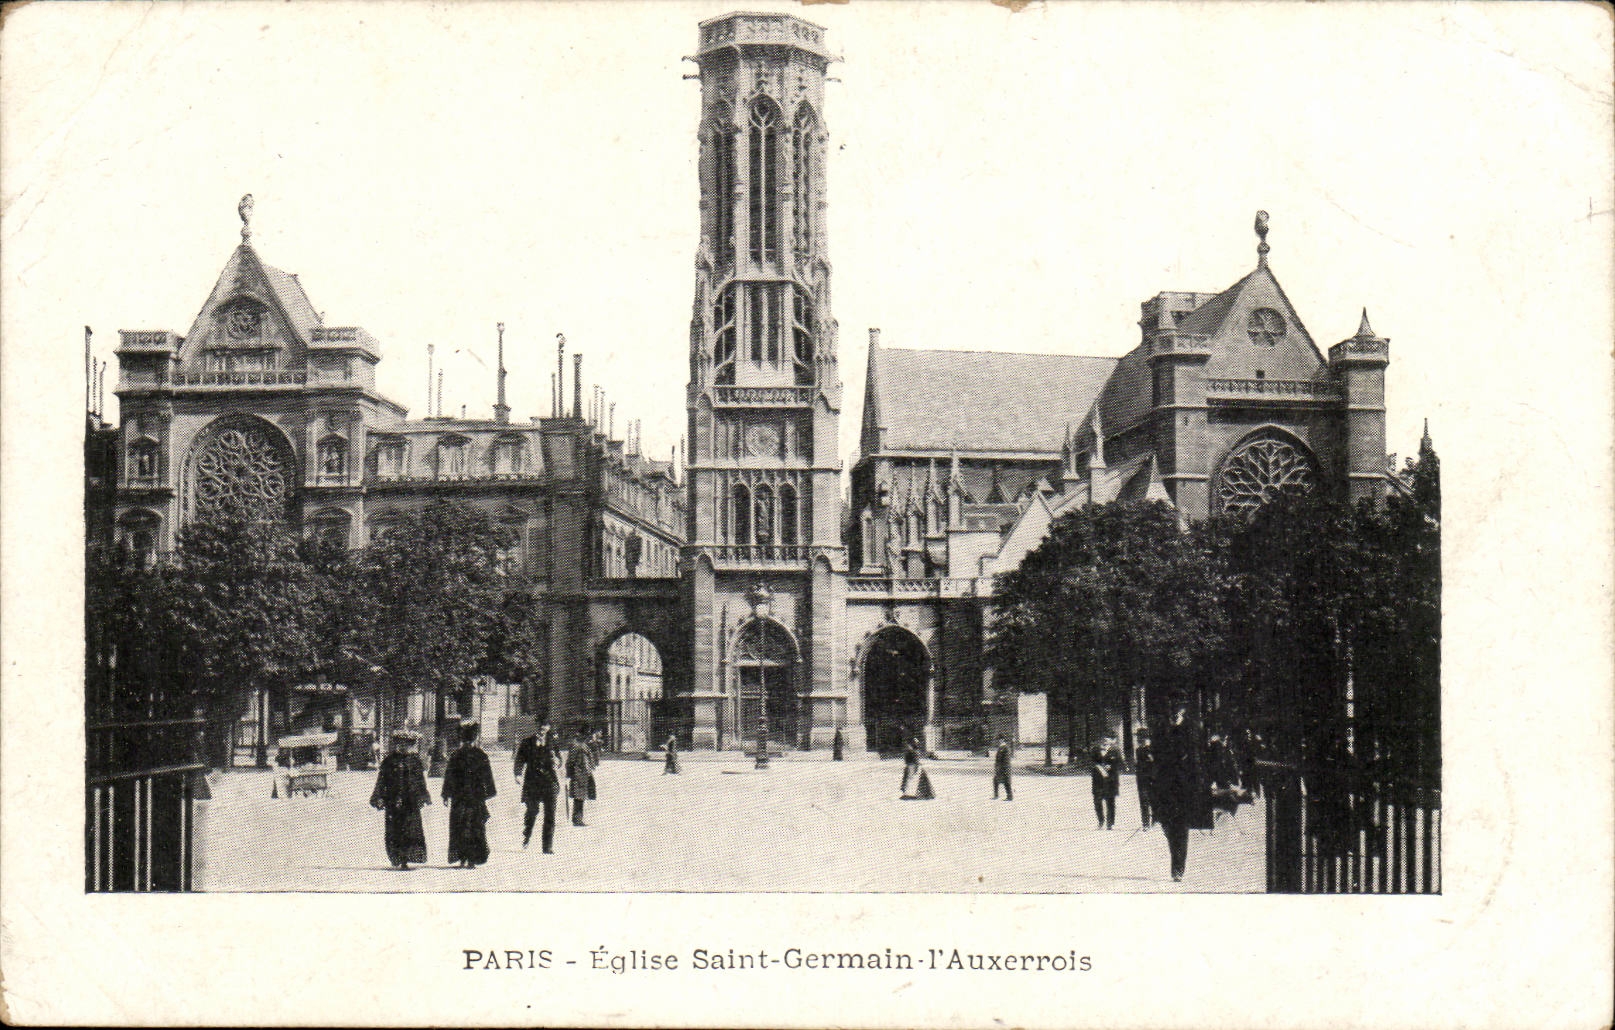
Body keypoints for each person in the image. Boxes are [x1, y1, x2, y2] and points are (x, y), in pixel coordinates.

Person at [1153, 703, 1207, 882]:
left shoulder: (1192, 728)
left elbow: (1197, 758)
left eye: (1179, 710)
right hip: (1165, 785)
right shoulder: (1161, 728)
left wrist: (1197, 785)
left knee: (1181, 828)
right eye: (1173, 710)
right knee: (1167, 827)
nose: (1175, 713)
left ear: (1183, 710)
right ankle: (1175, 859)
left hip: (1184, 787)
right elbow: (1156, 754)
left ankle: (1178, 868)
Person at [369, 731, 430, 870]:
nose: (403, 747)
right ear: (396, 744)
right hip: (393, 801)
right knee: (394, 830)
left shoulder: (415, 761)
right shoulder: (389, 761)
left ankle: (407, 858)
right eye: (400, 744)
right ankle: (398, 858)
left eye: (406, 744)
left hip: (411, 802)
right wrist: (378, 797)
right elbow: (381, 781)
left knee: (410, 830)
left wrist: (423, 796)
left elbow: (421, 781)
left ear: (410, 745)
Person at [441, 721, 497, 869]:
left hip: (466, 797)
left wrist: (446, 794)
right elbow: (450, 776)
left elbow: (449, 776)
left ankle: (466, 858)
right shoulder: (479, 755)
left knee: (466, 826)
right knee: (471, 827)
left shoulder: (458, 755)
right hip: (471, 797)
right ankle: (468, 858)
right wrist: (489, 793)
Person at [513, 724, 562, 853]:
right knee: (532, 811)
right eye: (540, 727)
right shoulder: (527, 742)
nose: (543, 729)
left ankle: (547, 846)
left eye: (545, 726)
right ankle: (527, 832)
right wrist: (517, 774)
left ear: (549, 728)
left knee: (550, 814)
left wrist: (558, 762)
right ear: (536, 727)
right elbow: (519, 760)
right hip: (532, 783)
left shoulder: (552, 742)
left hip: (549, 781)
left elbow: (559, 759)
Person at [566, 729, 597, 826]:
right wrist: (569, 775)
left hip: (584, 774)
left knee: (581, 796)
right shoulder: (576, 745)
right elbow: (570, 761)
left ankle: (578, 818)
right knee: (579, 797)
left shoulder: (583, 745)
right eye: (587, 735)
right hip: (578, 774)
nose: (588, 737)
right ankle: (577, 819)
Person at [1090, 737, 1120, 829]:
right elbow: (1090, 762)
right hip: (1098, 781)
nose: (1105, 742)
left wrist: (1112, 766)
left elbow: (1120, 763)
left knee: (1110, 801)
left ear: (1111, 741)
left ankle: (1110, 823)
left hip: (1110, 780)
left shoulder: (1115, 751)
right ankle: (1100, 821)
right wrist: (1097, 767)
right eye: (1103, 740)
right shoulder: (1095, 750)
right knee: (1097, 801)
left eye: (1107, 740)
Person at [1134, 728, 1156, 829]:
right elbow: (1138, 765)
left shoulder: (1153, 749)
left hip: (1153, 779)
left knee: (1153, 800)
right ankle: (1145, 823)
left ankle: (1155, 820)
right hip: (1141, 779)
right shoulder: (1138, 750)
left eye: (1142, 738)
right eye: (1139, 738)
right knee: (1143, 800)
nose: (1139, 740)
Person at [992, 736, 1014, 801]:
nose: (998, 741)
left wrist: (1003, 768)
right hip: (1000, 768)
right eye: (998, 740)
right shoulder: (1000, 747)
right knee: (995, 781)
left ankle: (1010, 797)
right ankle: (996, 795)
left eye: (999, 740)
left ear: (1002, 740)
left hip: (1005, 768)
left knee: (1006, 782)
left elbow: (1006, 760)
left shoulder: (1006, 748)